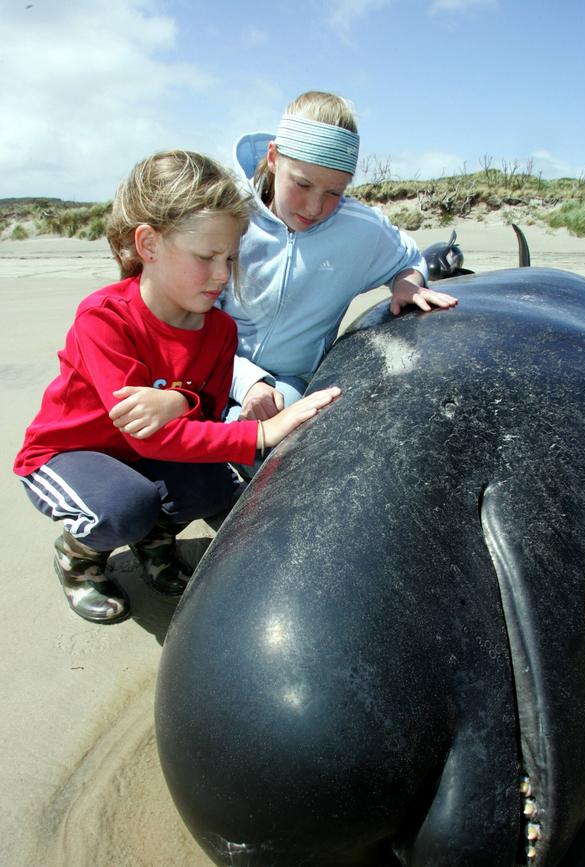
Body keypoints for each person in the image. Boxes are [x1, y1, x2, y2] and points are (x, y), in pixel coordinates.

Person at [13, 149, 340, 626]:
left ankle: (155, 540)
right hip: (68, 454)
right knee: (123, 507)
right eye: (206, 257)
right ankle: (78, 556)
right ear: (148, 244)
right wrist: (262, 435)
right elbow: (148, 434)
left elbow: (203, 412)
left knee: (213, 485)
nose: (223, 275)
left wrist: (180, 399)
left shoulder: (219, 331)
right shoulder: (104, 319)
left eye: (230, 257)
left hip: (141, 452)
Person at [222, 90, 458, 423]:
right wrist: (246, 382)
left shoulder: (361, 230)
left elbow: (408, 257)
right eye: (302, 185)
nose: (315, 207)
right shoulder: (226, 213)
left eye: (334, 192)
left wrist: (408, 282)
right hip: (209, 362)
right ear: (274, 157)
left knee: (272, 451)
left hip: (286, 382)